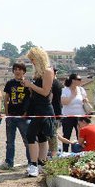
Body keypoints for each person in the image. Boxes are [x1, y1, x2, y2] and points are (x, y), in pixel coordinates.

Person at [22, 47, 55, 177]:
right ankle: (41, 164)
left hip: (44, 109)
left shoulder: (48, 71)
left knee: (31, 135)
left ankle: (34, 164)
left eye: (33, 59)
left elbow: (45, 92)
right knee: (41, 136)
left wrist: (31, 85)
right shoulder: (39, 73)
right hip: (37, 108)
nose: (32, 62)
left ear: (39, 58)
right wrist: (30, 87)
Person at [1, 63, 31, 170]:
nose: (17, 71)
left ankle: (31, 162)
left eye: (20, 69)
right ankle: (9, 162)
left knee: (27, 140)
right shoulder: (10, 83)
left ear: (24, 71)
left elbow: (31, 99)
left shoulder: (28, 83)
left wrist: (26, 113)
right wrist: (6, 113)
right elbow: (6, 99)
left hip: (23, 116)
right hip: (11, 116)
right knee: (9, 141)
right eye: (15, 69)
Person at [60, 73, 89, 152]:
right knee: (66, 135)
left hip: (80, 116)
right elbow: (64, 102)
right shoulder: (65, 90)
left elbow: (85, 99)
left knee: (81, 135)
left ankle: (81, 152)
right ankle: (65, 152)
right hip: (68, 116)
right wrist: (72, 96)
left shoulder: (81, 89)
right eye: (79, 79)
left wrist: (86, 100)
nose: (80, 81)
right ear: (73, 80)